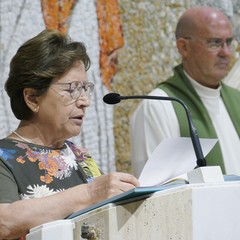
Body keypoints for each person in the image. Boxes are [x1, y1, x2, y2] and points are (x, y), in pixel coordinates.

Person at [0, 29, 139, 239]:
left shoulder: (79, 156)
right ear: (32, 98)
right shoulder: (4, 157)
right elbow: (4, 222)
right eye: (72, 89)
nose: (85, 101)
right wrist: (90, 193)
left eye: (85, 88)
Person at [130, 6, 240, 178]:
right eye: (215, 43)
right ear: (184, 47)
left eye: (229, 42)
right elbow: (157, 193)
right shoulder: (159, 106)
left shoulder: (237, 99)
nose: (226, 53)